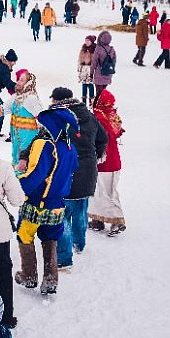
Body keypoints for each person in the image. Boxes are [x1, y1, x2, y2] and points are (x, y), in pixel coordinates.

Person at [14, 106, 79, 295]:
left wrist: (17, 188)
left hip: (36, 203)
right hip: (57, 204)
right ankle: (50, 280)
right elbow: (74, 167)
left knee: (24, 235)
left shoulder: (44, 145)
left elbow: (36, 174)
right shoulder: (69, 147)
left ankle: (29, 275)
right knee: (50, 239)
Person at [50, 89, 107, 265]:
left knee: (62, 215)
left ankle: (64, 257)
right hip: (88, 170)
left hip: (64, 171)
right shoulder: (89, 116)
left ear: (57, 100)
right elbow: (103, 138)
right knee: (80, 209)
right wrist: (96, 154)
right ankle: (79, 244)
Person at [88, 90, 126, 236]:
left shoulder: (98, 117)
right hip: (114, 160)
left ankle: (117, 221)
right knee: (104, 191)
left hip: (104, 162)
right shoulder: (112, 115)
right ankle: (98, 220)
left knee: (103, 192)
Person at [0, 69, 43, 168]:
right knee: (16, 160)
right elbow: (3, 109)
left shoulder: (31, 98)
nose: (18, 82)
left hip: (28, 138)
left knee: (25, 163)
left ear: (28, 83)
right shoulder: (16, 97)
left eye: (22, 80)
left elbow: (42, 118)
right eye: (18, 80)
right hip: (16, 137)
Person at [91, 31, 116, 102]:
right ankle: (102, 105)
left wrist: (91, 72)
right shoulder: (112, 49)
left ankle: (96, 106)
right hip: (108, 73)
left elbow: (94, 61)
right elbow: (114, 61)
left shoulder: (98, 48)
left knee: (98, 92)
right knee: (103, 92)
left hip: (99, 73)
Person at [78, 36, 97, 103]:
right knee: (84, 84)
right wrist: (79, 67)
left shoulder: (94, 49)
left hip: (90, 69)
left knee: (90, 84)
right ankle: (83, 100)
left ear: (91, 42)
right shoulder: (83, 48)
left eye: (88, 41)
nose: (86, 42)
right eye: (86, 40)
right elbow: (79, 58)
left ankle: (91, 100)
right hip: (83, 68)